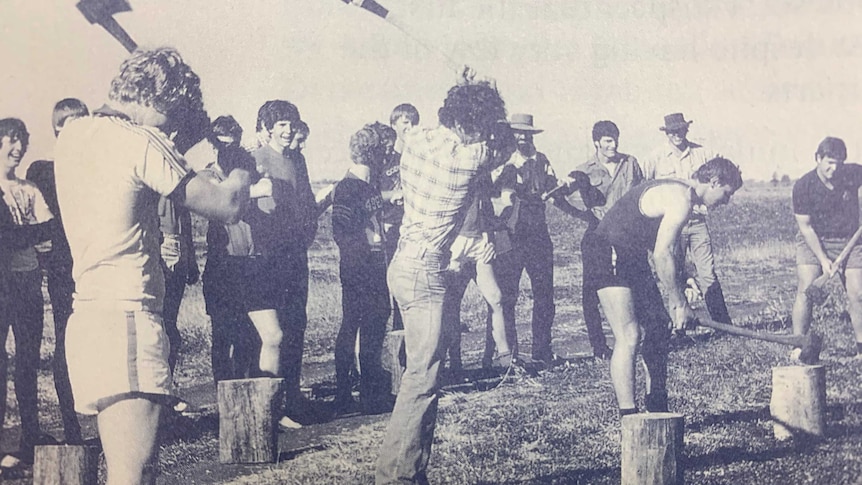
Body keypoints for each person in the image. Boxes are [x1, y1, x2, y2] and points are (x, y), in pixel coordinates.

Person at [53, 47, 254, 485]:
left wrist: (177, 137)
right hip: (127, 317)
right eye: (172, 117)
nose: (174, 129)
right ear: (153, 100)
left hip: (89, 317)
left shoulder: (73, 133)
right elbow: (228, 205)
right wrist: (238, 165)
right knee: (133, 473)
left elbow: (135, 168)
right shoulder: (140, 142)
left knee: (130, 472)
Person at [375, 74, 507, 484]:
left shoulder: (414, 140)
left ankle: (412, 472)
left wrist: (464, 87)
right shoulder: (470, 160)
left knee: (421, 371)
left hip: (400, 265)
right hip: (427, 271)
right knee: (423, 377)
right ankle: (395, 476)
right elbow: (501, 140)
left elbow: (447, 127)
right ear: (475, 125)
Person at [584, 157, 742, 416]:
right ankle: (630, 418)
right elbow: (661, 254)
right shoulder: (681, 199)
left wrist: (684, 277)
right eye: (727, 194)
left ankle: (657, 407)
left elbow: (658, 245)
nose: (727, 201)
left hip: (631, 254)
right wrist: (680, 303)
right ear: (714, 182)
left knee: (659, 326)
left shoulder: (684, 193)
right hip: (606, 250)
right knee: (629, 335)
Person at [250, 100, 319, 428]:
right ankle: (271, 409)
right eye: (281, 124)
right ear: (267, 127)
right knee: (272, 333)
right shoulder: (255, 159)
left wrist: (309, 232)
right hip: (268, 256)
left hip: (296, 254)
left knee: (296, 326)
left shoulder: (298, 159)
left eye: (291, 123)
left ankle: (293, 398)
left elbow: (306, 202)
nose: (288, 129)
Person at [24, 99, 89, 446]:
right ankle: (72, 429)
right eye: (69, 128)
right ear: (57, 131)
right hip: (65, 270)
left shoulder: (98, 168)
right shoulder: (43, 170)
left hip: (97, 268)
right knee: (65, 344)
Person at [0, 118, 58, 466]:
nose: (17, 147)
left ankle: (29, 437)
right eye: (9, 140)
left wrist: (22, 236)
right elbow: (33, 234)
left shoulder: (29, 189)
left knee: (27, 362)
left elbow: (49, 230)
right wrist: (31, 234)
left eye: (22, 140)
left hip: (27, 281)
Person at [641, 113, 733, 325]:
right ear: (667, 133)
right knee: (674, 272)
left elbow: (722, 173)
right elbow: (644, 187)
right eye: (673, 131)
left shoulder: (702, 154)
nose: (677, 135)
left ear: (686, 130)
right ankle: (679, 325)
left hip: (697, 222)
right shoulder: (655, 158)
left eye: (681, 130)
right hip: (672, 225)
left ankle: (723, 324)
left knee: (708, 274)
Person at [331, 124, 392, 414]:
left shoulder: (369, 186)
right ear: (375, 154)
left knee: (375, 323)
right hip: (359, 266)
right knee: (353, 324)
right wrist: (362, 264)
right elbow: (343, 233)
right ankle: (345, 392)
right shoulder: (347, 188)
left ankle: (371, 390)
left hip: (375, 262)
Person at [570, 120, 643, 359]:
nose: (614, 145)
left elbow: (640, 193)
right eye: (608, 140)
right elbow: (562, 198)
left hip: (627, 235)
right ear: (596, 143)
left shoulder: (630, 163)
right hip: (597, 235)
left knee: (632, 284)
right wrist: (586, 215)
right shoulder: (583, 170)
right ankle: (599, 347)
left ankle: (632, 337)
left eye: (616, 139)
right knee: (591, 292)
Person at [492, 113, 560, 366]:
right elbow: (494, 194)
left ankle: (542, 349)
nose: (522, 137)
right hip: (511, 235)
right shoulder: (501, 161)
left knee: (544, 294)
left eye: (526, 133)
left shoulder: (542, 160)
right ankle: (510, 354)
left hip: (538, 235)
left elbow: (553, 190)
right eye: (517, 133)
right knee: (508, 295)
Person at [791, 137, 862, 357]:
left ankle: (861, 350)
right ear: (818, 159)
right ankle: (798, 345)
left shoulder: (852, 173)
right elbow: (806, 227)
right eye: (829, 162)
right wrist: (823, 260)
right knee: (806, 288)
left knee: (858, 293)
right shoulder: (804, 186)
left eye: (839, 163)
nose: (834, 168)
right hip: (814, 239)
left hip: (850, 239)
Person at [381, 104, 418, 331]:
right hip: (391, 229)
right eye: (405, 122)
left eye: (413, 122)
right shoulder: (384, 159)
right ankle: (398, 358)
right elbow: (372, 193)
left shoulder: (420, 156)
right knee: (395, 295)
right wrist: (392, 196)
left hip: (415, 230)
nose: (410, 127)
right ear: (394, 124)